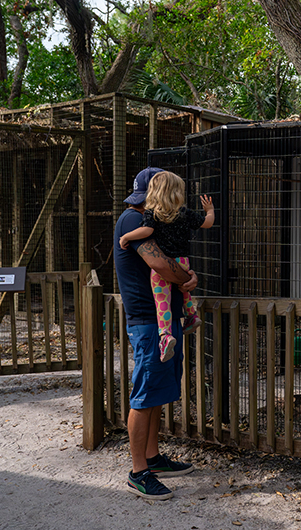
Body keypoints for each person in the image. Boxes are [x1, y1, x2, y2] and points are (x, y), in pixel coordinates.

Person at [114, 167, 200, 501]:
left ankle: (153, 458)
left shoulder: (156, 221)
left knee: (159, 393)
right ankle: (138, 472)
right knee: (145, 394)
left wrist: (185, 278)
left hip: (165, 321)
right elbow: (162, 265)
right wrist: (187, 278)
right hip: (149, 323)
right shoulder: (133, 221)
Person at [119, 170, 215, 362]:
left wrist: (127, 236)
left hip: (165, 269)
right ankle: (191, 315)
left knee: (161, 296)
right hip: (183, 261)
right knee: (184, 289)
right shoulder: (184, 213)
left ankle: (164, 335)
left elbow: (148, 234)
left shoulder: (152, 214)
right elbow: (207, 223)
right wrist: (210, 210)